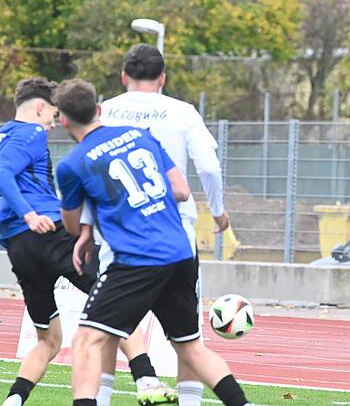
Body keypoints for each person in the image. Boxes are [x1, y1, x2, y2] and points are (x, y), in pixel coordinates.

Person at [52, 79, 251, 406]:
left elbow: (72, 227)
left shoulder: (73, 165)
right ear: (98, 109)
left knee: (87, 340)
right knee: (190, 347)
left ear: (63, 121)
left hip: (137, 259)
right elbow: (180, 189)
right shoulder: (141, 136)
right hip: (180, 251)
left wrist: (103, 209)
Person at [0, 78, 171, 406]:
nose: (52, 123)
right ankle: (147, 379)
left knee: (49, 339)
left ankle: (14, 400)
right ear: (39, 108)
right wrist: (29, 215)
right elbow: (3, 173)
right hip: (48, 232)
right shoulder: (31, 132)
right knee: (115, 300)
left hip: (19, 249)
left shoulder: (4, 135)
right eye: (52, 113)